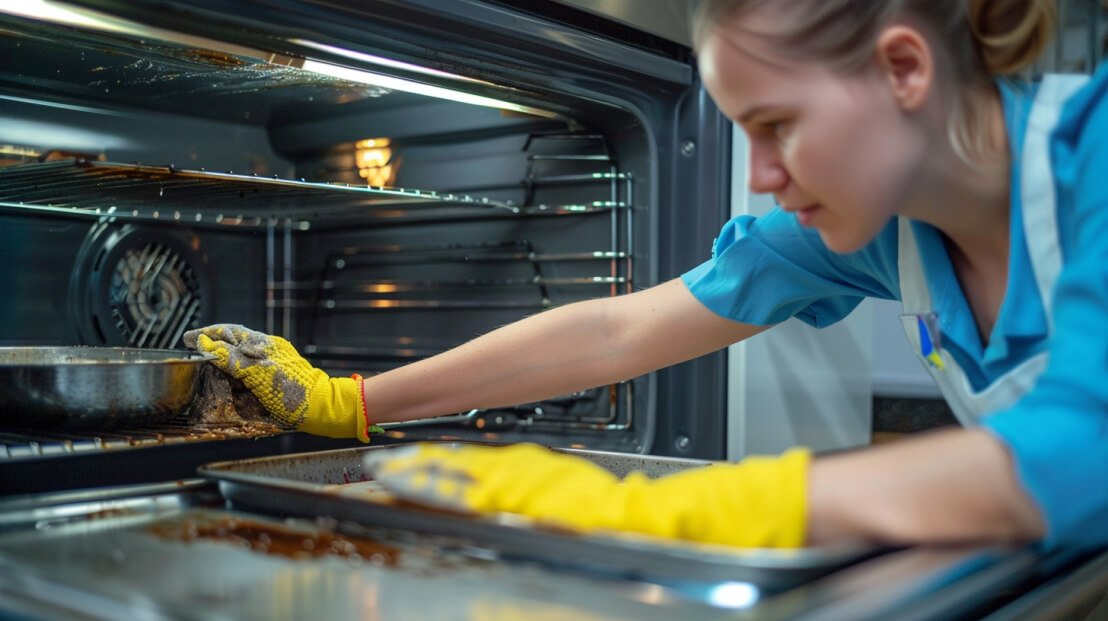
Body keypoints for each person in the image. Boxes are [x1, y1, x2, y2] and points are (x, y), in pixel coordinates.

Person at [184, 0, 1108, 551]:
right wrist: (354, 401)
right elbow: (622, 330)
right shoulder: (882, 232)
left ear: (904, 67)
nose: (760, 174)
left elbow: (1076, 453)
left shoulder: (1095, 153)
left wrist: (668, 507)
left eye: (778, 124)